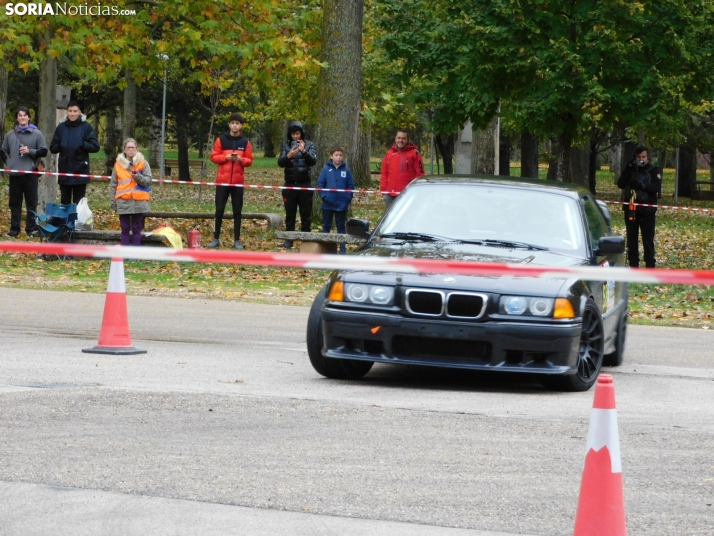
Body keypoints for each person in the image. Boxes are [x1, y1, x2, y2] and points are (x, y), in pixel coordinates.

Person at [0, 107, 47, 237]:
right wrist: (9, 163)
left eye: (25, 115)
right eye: (20, 115)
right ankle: (14, 229)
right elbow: (3, 150)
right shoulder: (10, 135)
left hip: (30, 174)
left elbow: (44, 151)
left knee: (31, 203)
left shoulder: (37, 134)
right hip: (15, 174)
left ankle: (31, 229)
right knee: (14, 203)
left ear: (28, 118)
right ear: (17, 118)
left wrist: (30, 151)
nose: (22, 117)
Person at [208, 113, 253, 249]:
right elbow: (214, 157)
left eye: (237, 123)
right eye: (233, 123)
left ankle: (237, 240)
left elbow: (250, 160)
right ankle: (216, 238)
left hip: (238, 182)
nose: (235, 125)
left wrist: (241, 160)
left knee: (237, 210)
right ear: (229, 125)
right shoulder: (221, 140)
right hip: (222, 181)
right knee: (219, 209)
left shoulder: (245, 142)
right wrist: (225, 157)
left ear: (241, 126)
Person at [617, 146, 662, 268]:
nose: (641, 159)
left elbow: (656, 187)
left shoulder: (654, 170)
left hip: (647, 210)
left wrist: (642, 185)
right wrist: (628, 168)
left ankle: (650, 264)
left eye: (643, 157)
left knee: (648, 239)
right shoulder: (631, 169)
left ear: (648, 158)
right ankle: (633, 264)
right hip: (631, 208)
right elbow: (620, 184)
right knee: (632, 238)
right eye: (638, 157)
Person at [49, 100, 100, 205]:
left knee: (79, 203)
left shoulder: (86, 127)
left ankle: (78, 221)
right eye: (70, 111)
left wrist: (83, 144)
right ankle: (66, 221)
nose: (72, 114)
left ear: (80, 112)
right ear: (67, 112)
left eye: (75, 111)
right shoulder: (61, 127)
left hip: (80, 171)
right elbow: (53, 148)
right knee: (65, 202)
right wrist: (60, 145)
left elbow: (95, 147)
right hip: (65, 171)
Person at [277, 121, 317, 248]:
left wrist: (304, 152)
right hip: (289, 184)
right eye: (293, 134)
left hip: (305, 183)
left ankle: (306, 239)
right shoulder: (286, 146)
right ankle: (289, 239)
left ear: (301, 134)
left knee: (306, 213)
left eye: (297, 134)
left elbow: (313, 161)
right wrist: (288, 156)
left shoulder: (309, 145)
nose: (295, 136)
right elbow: (280, 163)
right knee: (290, 213)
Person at [110, 138, 152, 246]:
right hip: (123, 201)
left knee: (136, 229)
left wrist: (138, 177)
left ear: (137, 149)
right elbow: (113, 185)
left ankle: (134, 255)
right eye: (128, 147)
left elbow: (148, 181)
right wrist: (112, 201)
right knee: (125, 229)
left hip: (139, 202)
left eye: (133, 147)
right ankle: (125, 254)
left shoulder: (143, 163)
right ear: (124, 149)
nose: (131, 150)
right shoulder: (118, 165)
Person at [317, 146, 354, 255]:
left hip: (342, 204)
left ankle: (342, 249)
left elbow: (350, 186)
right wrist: (325, 197)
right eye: (336, 155)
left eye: (340, 155)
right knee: (326, 226)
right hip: (327, 204)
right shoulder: (325, 170)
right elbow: (320, 185)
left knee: (341, 227)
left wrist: (347, 198)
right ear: (331, 156)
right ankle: (324, 249)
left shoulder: (346, 171)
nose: (338, 158)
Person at [379, 129, 425, 209]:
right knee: (391, 219)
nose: (401, 140)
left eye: (403, 138)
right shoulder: (389, 154)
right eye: (399, 138)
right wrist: (384, 190)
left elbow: (420, 175)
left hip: (407, 194)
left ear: (408, 140)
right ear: (395, 138)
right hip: (390, 194)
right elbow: (384, 173)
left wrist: (416, 190)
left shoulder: (414, 154)